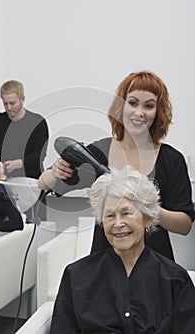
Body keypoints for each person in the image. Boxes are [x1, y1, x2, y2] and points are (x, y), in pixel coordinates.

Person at [38, 70, 195, 260]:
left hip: (155, 265)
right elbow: (43, 183)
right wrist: (55, 172)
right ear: (121, 107)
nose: (139, 112)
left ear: (158, 112)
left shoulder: (171, 160)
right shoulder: (99, 153)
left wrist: (148, 207)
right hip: (104, 262)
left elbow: (185, 225)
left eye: (149, 106)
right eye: (133, 103)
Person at [50, 167, 195, 333]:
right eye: (110, 215)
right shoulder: (76, 276)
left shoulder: (176, 281)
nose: (118, 224)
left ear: (148, 219)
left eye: (127, 213)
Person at [0, 80, 49, 179]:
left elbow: (39, 155)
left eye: (12, 103)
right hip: (6, 179)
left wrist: (19, 163)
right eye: (5, 104)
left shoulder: (38, 122)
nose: (9, 108)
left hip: (33, 179)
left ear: (22, 99)